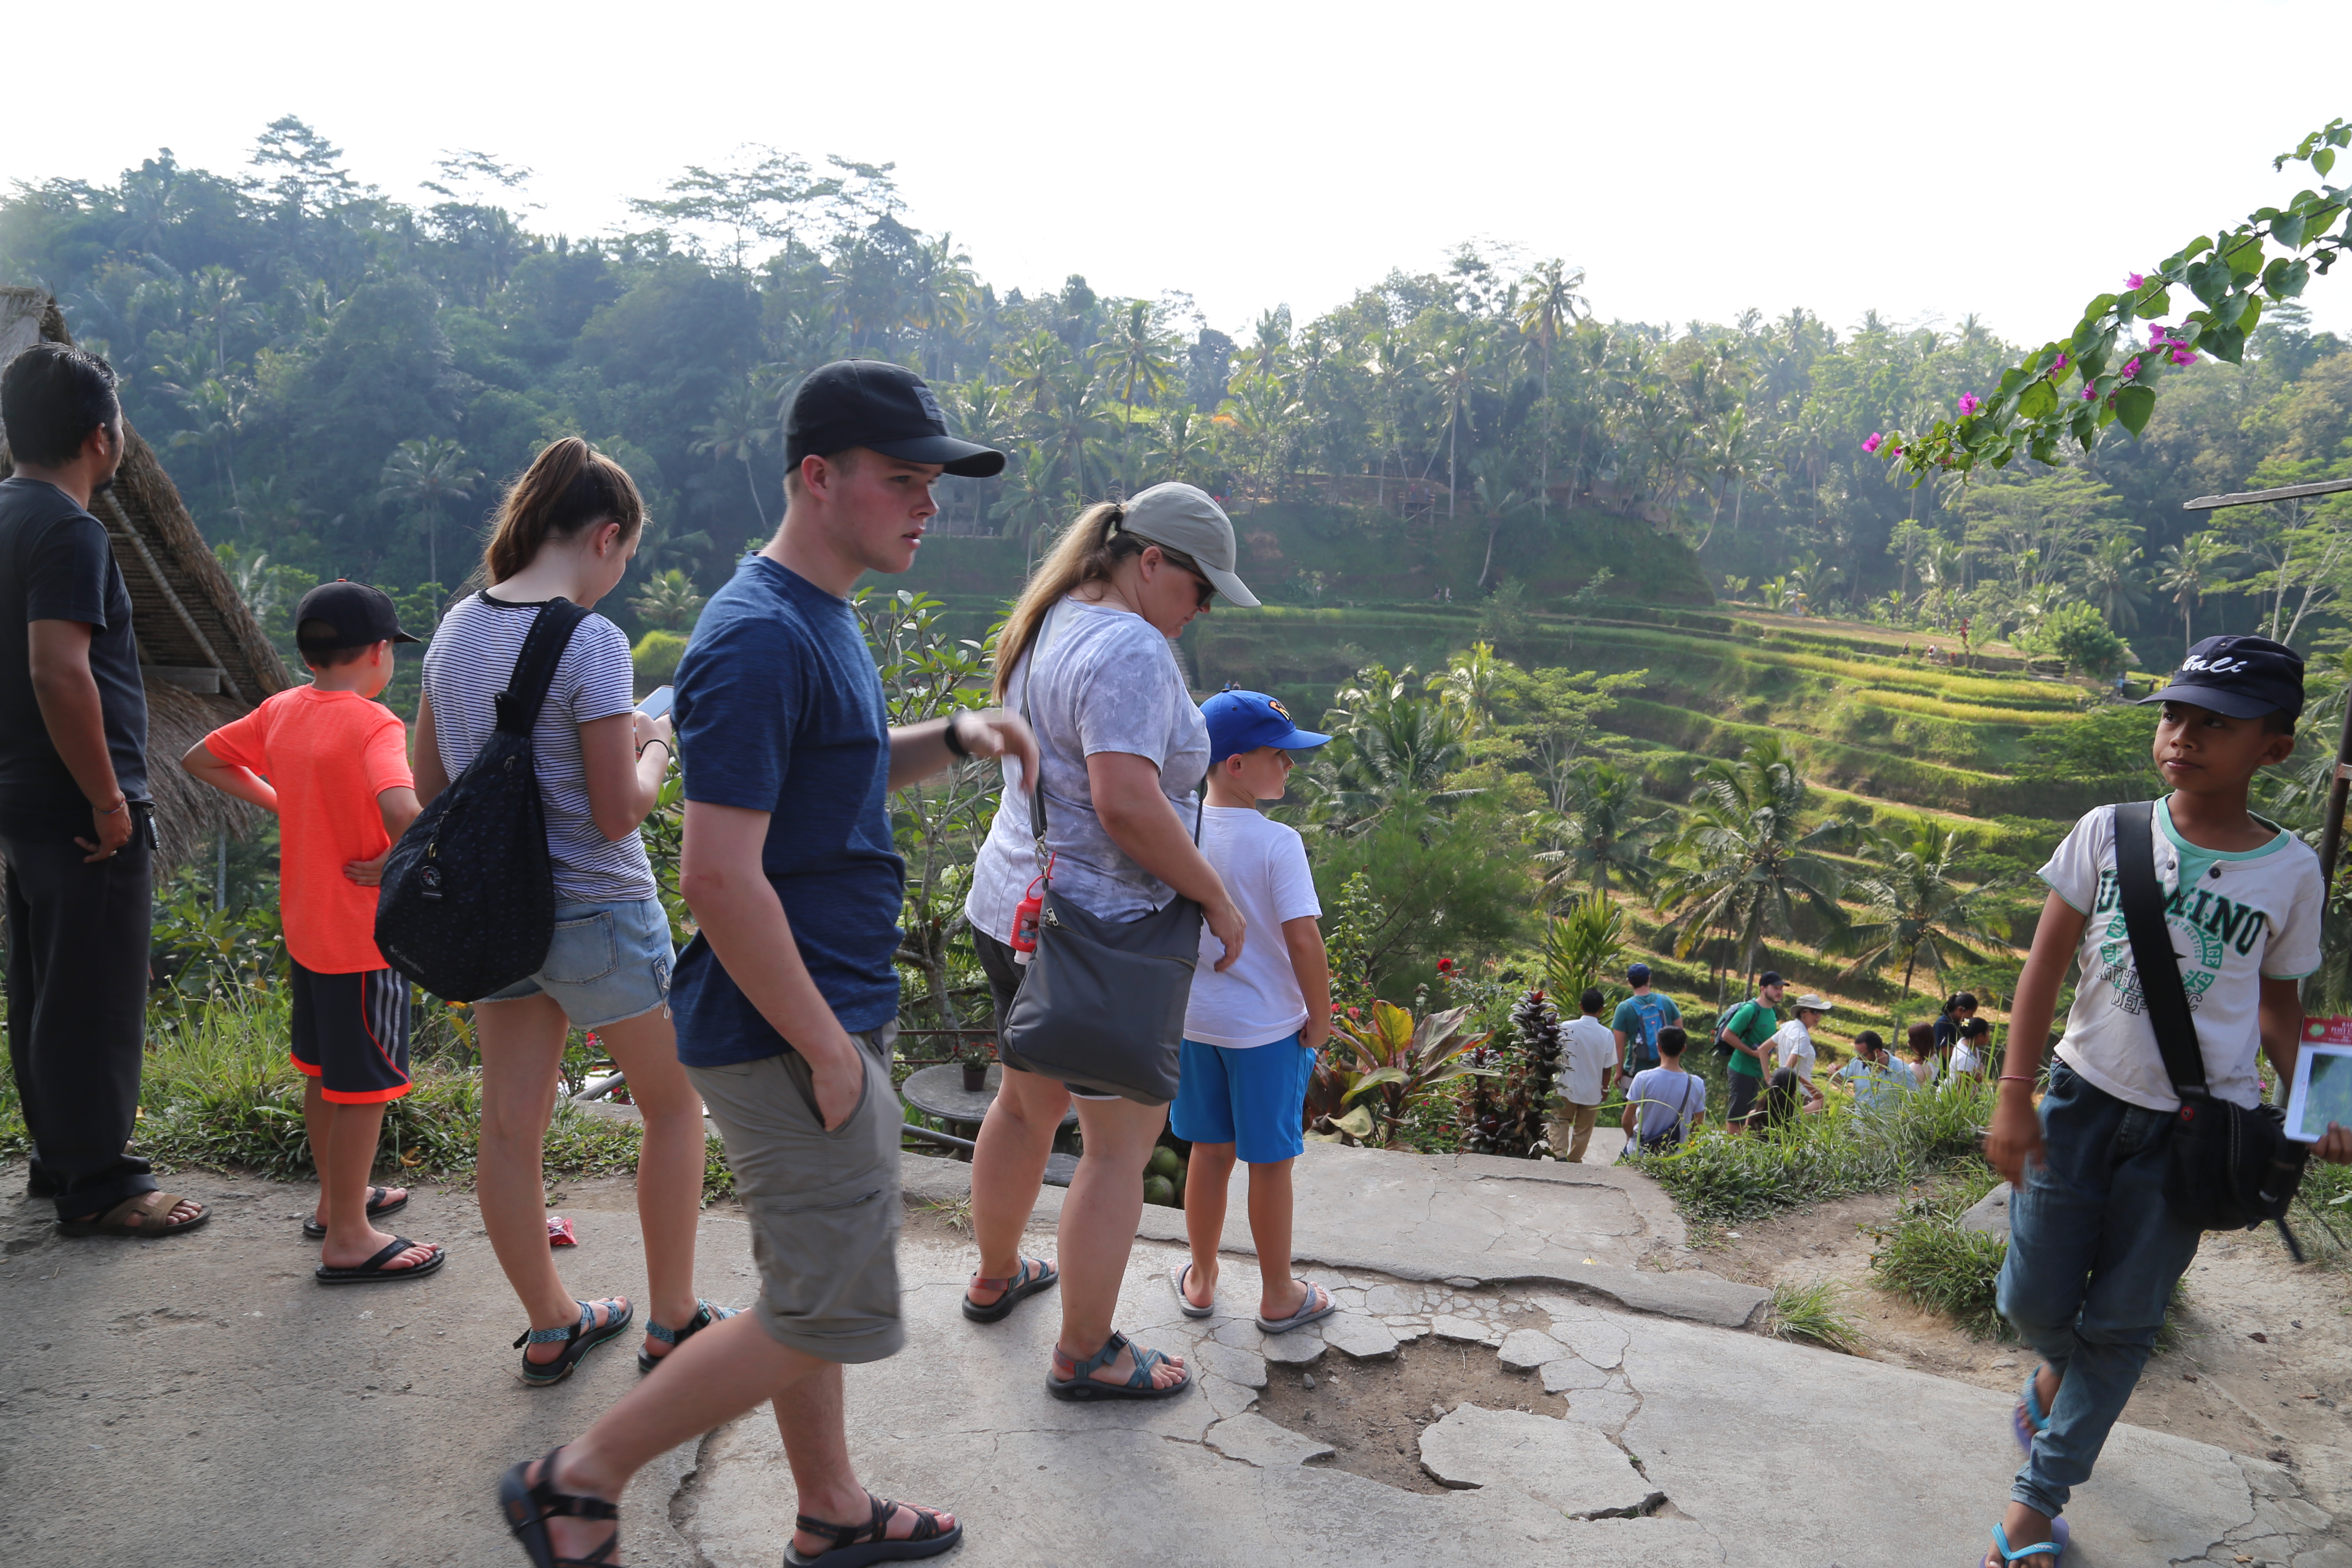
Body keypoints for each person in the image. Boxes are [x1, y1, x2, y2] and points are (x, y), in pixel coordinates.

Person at [497, 361, 1029, 1567]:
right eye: (905, 479)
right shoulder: (754, 636)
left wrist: (951, 739)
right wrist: (830, 1049)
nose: (927, 504)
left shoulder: (816, 617)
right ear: (818, 476)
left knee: (815, 1285)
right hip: (792, 1022)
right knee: (828, 1305)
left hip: (818, 1008)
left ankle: (830, 1505)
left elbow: (827, 772)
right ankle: (577, 1478)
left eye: (933, 482)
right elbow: (719, 877)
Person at [1981, 635, 2352, 1568]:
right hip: (2077, 1103)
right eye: (2173, 715)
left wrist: (2328, 1101)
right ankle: (2053, 1376)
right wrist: (2015, 1094)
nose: (2182, 737)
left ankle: (2035, 1509)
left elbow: (2281, 1007)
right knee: (2033, 1302)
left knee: (2125, 1322)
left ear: (2274, 749)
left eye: (2214, 725)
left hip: (2193, 1133)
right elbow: (2045, 967)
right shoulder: (2109, 830)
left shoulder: (2293, 872)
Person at [419, 438, 714, 1382]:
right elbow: (617, 808)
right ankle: (672, 1317)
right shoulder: (591, 640)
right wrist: (657, 742)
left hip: (494, 913)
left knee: (511, 1127)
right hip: (596, 910)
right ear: (606, 537)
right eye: (625, 559)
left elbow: (432, 787)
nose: (620, 576)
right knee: (673, 1110)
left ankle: (553, 1322)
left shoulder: (455, 630)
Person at [962, 478, 1257, 1401]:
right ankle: (1085, 1351)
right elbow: (1126, 801)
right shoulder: (1130, 647)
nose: (1200, 611)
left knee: (1022, 1106)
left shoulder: (1049, 620)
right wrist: (1215, 897)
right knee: (1117, 1147)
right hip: (1104, 934)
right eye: (1199, 590)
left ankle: (997, 1273)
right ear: (1152, 561)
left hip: (1014, 905)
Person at [0, 343, 206, 1239]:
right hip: (77, 805)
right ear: (101, 436)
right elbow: (59, 670)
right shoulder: (70, 530)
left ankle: (61, 1161)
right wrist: (108, 798)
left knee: (46, 985)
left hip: (22, 800)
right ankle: (101, 1184)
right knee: (93, 997)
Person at [181, 581, 442, 1283]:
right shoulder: (374, 724)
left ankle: (336, 1202)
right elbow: (402, 808)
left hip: (307, 931)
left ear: (308, 654)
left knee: (324, 1072)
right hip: (362, 939)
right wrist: (397, 857)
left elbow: (202, 757)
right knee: (364, 1089)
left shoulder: (281, 711)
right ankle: (351, 1236)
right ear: (381, 653)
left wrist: (283, 802)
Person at [1170, 689, 1338, 1334]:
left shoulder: (1179, 829)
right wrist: (1319, 1019)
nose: (1290, 768)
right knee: (1270, 1162)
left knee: (1208, 1154)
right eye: (1280, 756)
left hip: (1194, 1023)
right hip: (1267, 1030)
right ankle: (1277, 1293)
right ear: (1235, 764)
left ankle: (1204, 1279)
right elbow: (1303, 939)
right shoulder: (1278, 842)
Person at [1549, 986, 1616, 1163]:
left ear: (1580, 1006)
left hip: (1566, 1086)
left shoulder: (1566, 1027)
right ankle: (1575, 1159)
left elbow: (1553, 1053)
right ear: (1602, 1009)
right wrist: (1605, 1089)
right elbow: (1607, 1068)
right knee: (1583, 1129)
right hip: (1592, 1091)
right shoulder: (1607, 1035)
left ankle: (1559, 1154)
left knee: (1560, 1120)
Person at [1715, 971, 1785, 1132]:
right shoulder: (1750, 1010)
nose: (1779, 992)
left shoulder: (1772, 1011)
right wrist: (1752, 1053)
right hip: (1742, 1069)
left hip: (1758, 1071)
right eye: (1775, 988)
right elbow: (1728, 1035)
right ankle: (1731, 1150)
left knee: (1749, 1113)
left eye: (1781, 988)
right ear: (1763, 989)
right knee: (1738, 1114)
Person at [1620, 1027, 1704, 1152]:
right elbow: (1697, 1128)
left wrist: (1633, 1138)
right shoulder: (1696, 1083)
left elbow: (1626, 1121)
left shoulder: (1643, 1078)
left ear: (1659, 1047)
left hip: (1641, 1152)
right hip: (1677, 1157)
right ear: (1684, 1049)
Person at [1610, 963, 1679, 1078]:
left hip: (1636, 1073)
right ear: (1649, 978)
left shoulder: (1624, 1008)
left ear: (1629, 981)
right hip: (1666, 1072)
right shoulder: (1666, 1001)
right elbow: (1680, 1034)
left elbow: (1619, 1045)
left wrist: (1619, 1072)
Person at [1769, 994, 1830, 1112]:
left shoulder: (1789, 1027)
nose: (1819, 1015)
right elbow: (1787, 1071)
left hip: (1789, 1091)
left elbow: (1763, 1049)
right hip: (1800, 1093)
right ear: (1803, 1013)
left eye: (1821, 1012)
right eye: (1815, 1011)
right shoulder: (1803, 1037)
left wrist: (1769, 1080)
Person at [1834, 1029, 1915, 1114]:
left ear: (1876, 1052)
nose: (1859, 1058)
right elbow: (1839, 1079)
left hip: (1887, 1126)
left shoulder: (1903, 1071)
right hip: (1858, 1126)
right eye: (1857, 1054)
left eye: (1862, 1055)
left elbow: (1914, 1103)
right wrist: (1833, 1074)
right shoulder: (1856, 1063)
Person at [1935, 990, 1980, 1068]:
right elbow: (1946, 1053)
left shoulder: (1957, 1023)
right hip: (1945, 1072)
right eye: (1970, 1014)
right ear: (1961, 1010)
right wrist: (1968, 1044)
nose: (1971, 1017)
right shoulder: (1942, 1024)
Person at [1952, 1016, 1992, 1080]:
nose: (1989, 1036)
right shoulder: (1966, 1057)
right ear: (1981, 1036)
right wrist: (1979, 1079)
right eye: (1988, 1033)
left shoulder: (1965, 1042)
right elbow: (1963, 1087)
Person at [1905, 1022, 1942, 1090]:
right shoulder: (1936, 1059)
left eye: (1910, 1041)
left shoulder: (1918, 1068)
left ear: (1918, 1043)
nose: (1909, 1045)